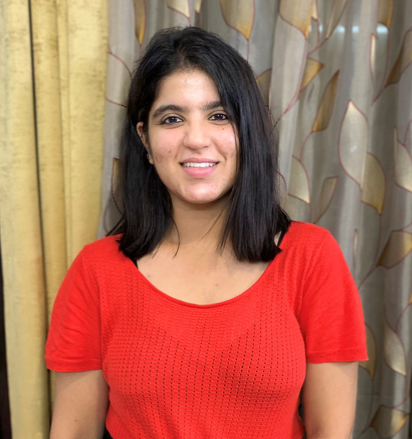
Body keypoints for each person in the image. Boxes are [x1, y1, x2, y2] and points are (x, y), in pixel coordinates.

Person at [46, 27, 367, 439]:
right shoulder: (96, 270)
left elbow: (330, 432)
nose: (196, 139)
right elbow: (73, 432)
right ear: (145, 138)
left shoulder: (312, 257)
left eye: (219, 116)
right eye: (172, 119)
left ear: (248, 131)